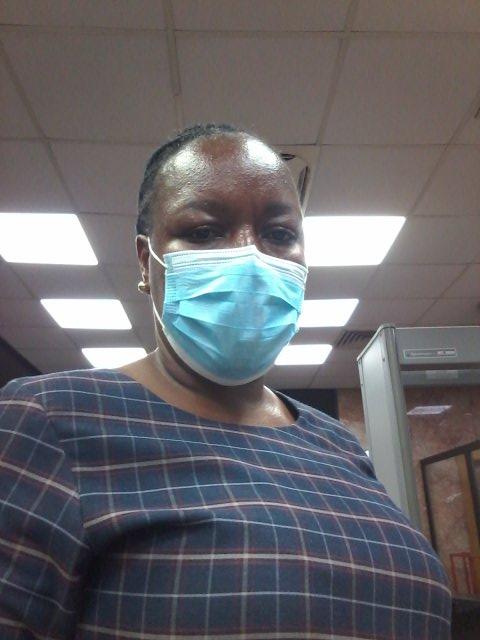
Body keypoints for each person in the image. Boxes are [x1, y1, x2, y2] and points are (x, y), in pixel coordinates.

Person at [0, 123, 451, 639]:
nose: (250, 257)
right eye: (203, 231)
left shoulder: (338, 444)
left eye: (279, 234)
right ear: (147, 262)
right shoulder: (51, 419)